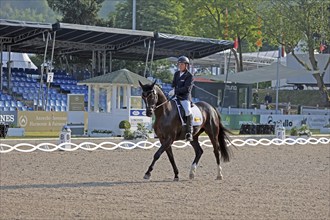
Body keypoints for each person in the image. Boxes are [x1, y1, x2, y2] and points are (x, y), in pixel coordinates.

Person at [169, 56, 194, 141]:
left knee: (187, 111)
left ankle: (189, 132)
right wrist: (172, 89)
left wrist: (176, 91)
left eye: (182, 64)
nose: (180, 66)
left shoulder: (189, 75)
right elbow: (173, 84)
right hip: (176, 97)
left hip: (184, 97)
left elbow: (187, 89)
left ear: (186, 65)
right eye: (179, 64)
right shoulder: (176, 74)